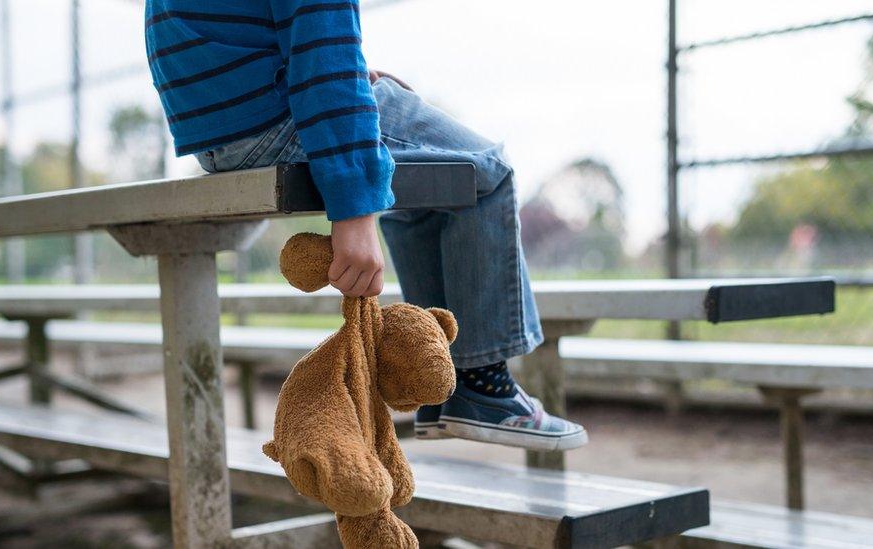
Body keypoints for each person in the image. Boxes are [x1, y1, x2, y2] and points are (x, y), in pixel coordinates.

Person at [145, 0, 587, 451]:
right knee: (486, 170)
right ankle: (482, 384)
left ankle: (443, 381)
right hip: (277, 113)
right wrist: (354, 212)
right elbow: (323, 45)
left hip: (216, 131)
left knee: (423, 189)